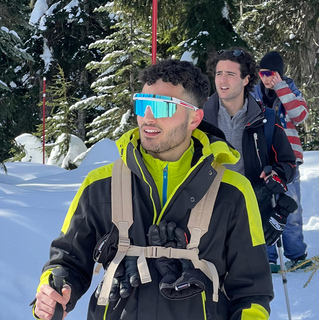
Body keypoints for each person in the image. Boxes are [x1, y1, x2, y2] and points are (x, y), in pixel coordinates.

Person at [32, 59, 274, 320]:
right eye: (142, 103)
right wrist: (55, 288)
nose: (148, 116)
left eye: (163, 106)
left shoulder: (233, 191)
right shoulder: (100, 184)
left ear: (195, 117)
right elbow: (67, 260)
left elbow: (252, 292)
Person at [203, 48, 297, 252]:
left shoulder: (266, 119)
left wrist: (277, 174)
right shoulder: (199, 120)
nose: (222, 80)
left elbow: (289, 163)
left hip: (251, 210)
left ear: (246, 80)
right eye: (219, 73)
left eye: (230, 74)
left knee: (251, 280)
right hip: (206, 214)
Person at [252, 51, 310, 272]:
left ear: (280, 74)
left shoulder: (291, 92)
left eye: (271, 73)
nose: (266, 78)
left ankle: (297, 255)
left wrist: (281, 89)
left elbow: (300, 116)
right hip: (262, 160)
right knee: (263, 206)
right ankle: (267, 257)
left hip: (289, 161)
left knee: (291, 209)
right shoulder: (255, 94)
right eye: (262, 73)